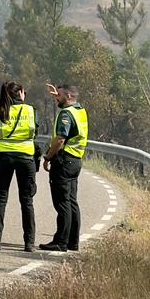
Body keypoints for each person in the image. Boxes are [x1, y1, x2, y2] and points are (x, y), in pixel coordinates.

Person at [0, 81, 38, 252]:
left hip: (3, 157)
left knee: (0, 200)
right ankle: (29, 243)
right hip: (25, 157)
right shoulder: (29, 110)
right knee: (27, 201)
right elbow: (34, 132)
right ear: (21, 94)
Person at [39, 82, 89, 252]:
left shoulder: (66, 114)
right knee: (72, 202)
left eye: (59, 95)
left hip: (63, 161)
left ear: (68, 96)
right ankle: (72, 242)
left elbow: (60, 139)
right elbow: (66, 107)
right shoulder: (79, 110)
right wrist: (57, 96)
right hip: (76, 161)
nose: (56, 98)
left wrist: (48, 157)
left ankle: (60, 241)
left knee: (62, 203)